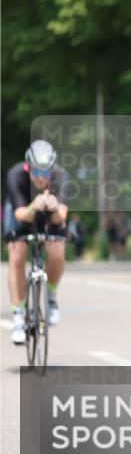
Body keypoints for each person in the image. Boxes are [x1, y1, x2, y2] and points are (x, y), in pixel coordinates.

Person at [3, 140, 69, 344]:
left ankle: (51, 298)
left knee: (57, 253)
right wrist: (34, 206)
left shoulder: (60, 176)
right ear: (28, 167)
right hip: (23, 212)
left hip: (49, 214)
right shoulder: (15, 175)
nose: (41, 178)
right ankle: (18, 316)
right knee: (17, 256)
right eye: (36, 172)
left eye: (45, 173)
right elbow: (20, 214)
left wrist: (54, 207)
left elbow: (61, 217)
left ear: (52, 169)